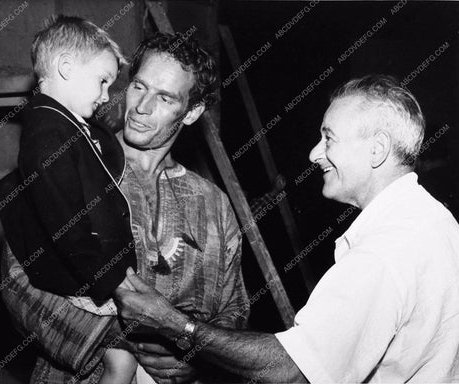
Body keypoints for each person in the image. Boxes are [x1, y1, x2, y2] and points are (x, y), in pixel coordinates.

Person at [115, 75, 459, 382]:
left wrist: (175, 323)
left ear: (377, 149)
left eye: (329, 139)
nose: (314, 154)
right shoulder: (435, 221)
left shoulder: (383, 251)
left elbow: (293, 369)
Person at [0, 32, 249, 384]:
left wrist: (198, 354)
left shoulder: (214, 204)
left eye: (164, 97)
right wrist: (113, 341)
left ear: (192, 112)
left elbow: (234, 309)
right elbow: (16, 279)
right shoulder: (67, 160)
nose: (142, 108)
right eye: (138, 87)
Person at [0, 15, 140, 384]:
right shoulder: (47, 133)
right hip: (79, 279)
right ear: (65, 67)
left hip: (97, 272)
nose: (106, 95)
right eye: (103, 81)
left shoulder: (65, 123)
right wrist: (114, 285)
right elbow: (66, 227)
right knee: (123, 362)